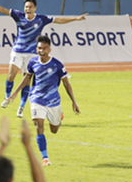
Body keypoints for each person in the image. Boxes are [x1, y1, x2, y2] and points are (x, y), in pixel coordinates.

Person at [0, 0, 86, 118]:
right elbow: (2, 9)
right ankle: (7, 97)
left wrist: (76, 18)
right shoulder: (18, 15)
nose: (27, 9)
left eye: (30, 7)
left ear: (35, 8)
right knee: (10, 76)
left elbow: (59, 20)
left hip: (32, 54)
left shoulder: (41, 19)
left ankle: (21, 107)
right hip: (17, 51)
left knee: (26, 80)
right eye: (26, 7)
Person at [5, 35, 79, 166]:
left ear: (49, 49)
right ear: (36, 48)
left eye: (44, 48)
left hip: (53, 101)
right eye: (39, 48)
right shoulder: (33, 62)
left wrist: (74, 101)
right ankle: (45, 158)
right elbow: (27, 78)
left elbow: (66, 83)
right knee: (39, 125)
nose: (41, 50)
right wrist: (15, 93)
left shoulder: (57, 64)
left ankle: (58, 118)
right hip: (36, 98)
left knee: (54, 130)